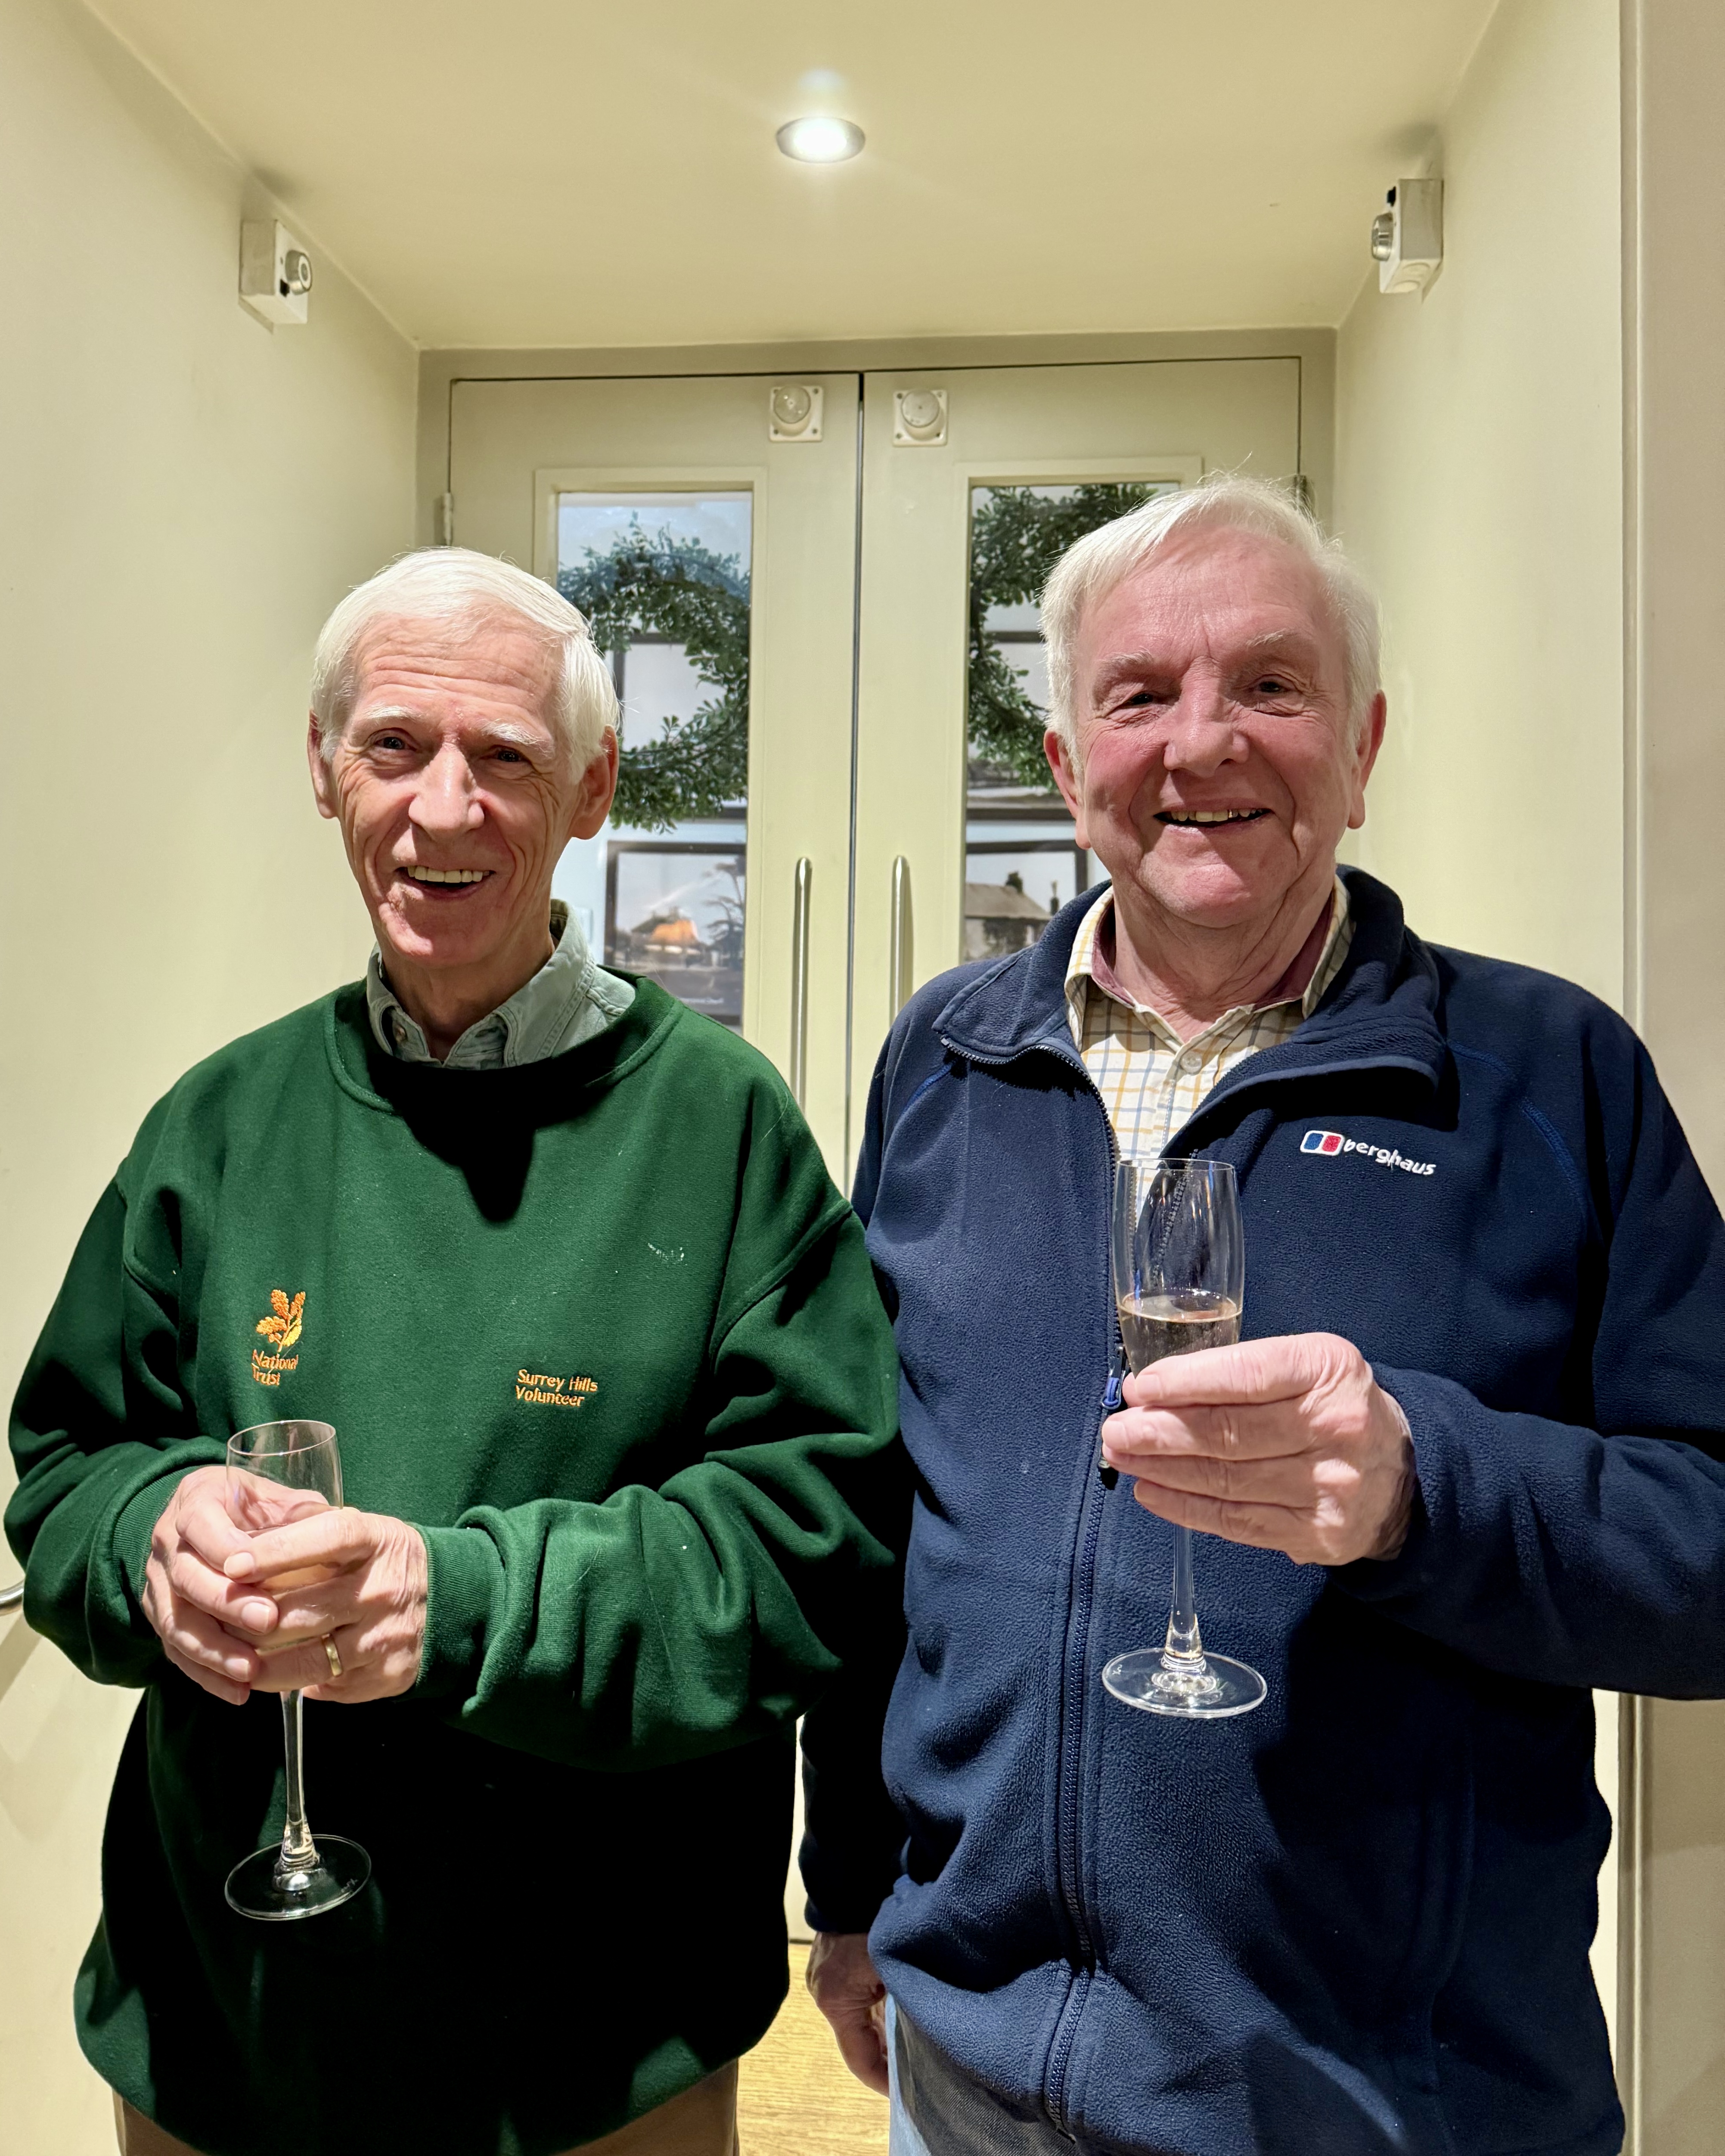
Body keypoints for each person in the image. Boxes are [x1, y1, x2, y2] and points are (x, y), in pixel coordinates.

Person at [800, 475, 1725, 2156]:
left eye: (1271, 685)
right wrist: (852, 1885)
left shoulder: (1551, 1081)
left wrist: (1428, 1486)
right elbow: (880, 1517)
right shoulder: (942, 1059)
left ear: (1360, 748)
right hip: (971, 2085)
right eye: (1140, 695)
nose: (1203, 741)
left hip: (1384, 2111)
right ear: (1069, 767)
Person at [6, 549, 903, 2156]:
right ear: (323, 767)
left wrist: (459, 1603)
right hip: (225, 2026)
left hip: (594, 2056)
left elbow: (815, 1549)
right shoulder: (221, 1121)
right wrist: (151, 1538)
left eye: (506, 757)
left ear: (593, 792)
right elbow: (69, 1467)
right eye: (395, 746)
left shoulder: (720, 1128)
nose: (443, 808)